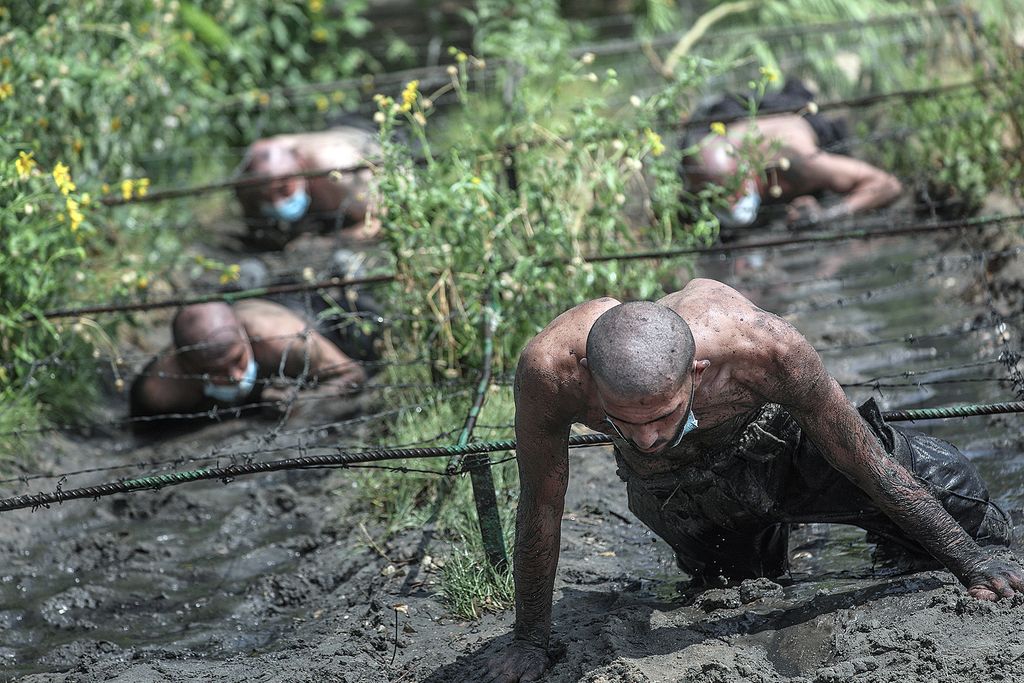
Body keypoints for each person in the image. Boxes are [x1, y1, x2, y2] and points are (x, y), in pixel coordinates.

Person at [480, 278, 1021, 682]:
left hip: (786, 447)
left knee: (956, 495)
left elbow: (863, 461)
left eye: (663, 416)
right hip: (680, 491)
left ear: (697, 373)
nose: (645, 437)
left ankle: (923, 539)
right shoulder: (550, 372)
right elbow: (542, 506)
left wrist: (970, 563)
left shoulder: (760, 348)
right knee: (736, 583)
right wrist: (530, 638)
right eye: (626, 422)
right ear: (590, 381)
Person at [681, 78, 902, 231]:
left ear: (748, 171)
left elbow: (887, 184)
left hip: (799, 124)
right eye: (714, 197)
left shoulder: (797, 162)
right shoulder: (701, 157)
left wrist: (826, 214)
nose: (728, 204)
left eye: (730, 193)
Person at [130, 299, 366, 423]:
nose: (235, 376)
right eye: (216, 371)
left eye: (237, 359)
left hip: (301, 310)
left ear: (245, 338)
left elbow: (352, 374)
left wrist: (303, 400)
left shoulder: (284, 338)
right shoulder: (161, 389)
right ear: (186, 365)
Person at [234, 124, 381, 249]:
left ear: (301, 164)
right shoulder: (269, 149)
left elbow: (380, 221)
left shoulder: (341, 173)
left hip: (365, 136)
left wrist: (326, 242)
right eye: (266, 198)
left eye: (284, 189)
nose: (278, 204)